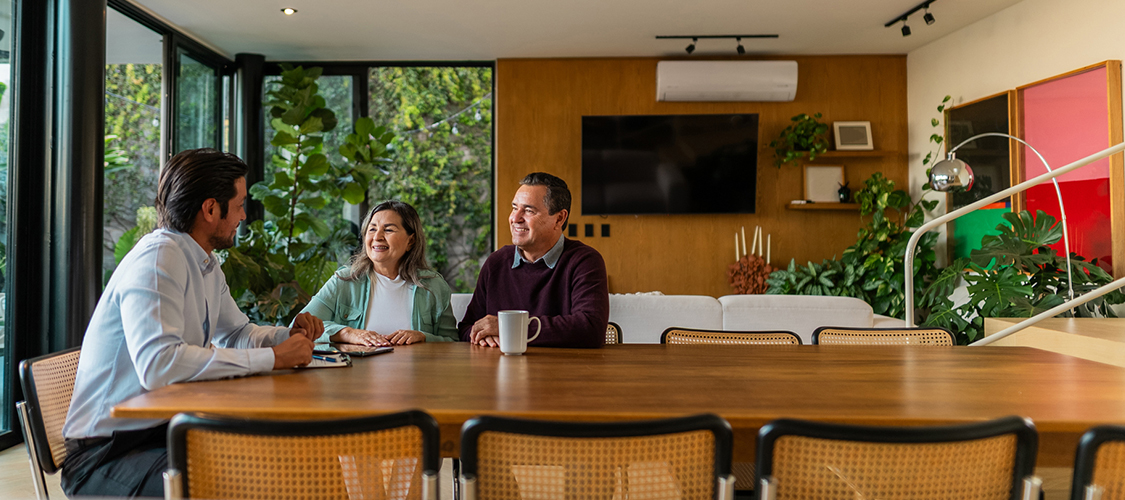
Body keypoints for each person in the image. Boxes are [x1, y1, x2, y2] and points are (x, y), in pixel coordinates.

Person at [61, 149, 324, 498]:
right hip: (107, 454)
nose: (243, 216)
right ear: (211, 209)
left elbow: (236, 333)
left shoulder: (204, 262)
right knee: (253, 484)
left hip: (163, 431)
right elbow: (158, 364)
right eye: (240, 204)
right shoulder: (159, 257)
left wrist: (285, 336)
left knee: (285, 459)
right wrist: (274, 358)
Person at [459, 172, 609, 348]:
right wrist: (482, 336)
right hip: (502, 373)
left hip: (562, 374)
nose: (515, 218)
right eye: (515, 208)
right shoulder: (496, 262)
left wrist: (508, 327)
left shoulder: (585, 261)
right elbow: (466, 328)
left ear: (559, 218)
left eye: (529, 210)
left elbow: (590, 329)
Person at [301, 200, 458, 346]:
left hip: (417, 375)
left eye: (388, 230)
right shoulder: (344, 280)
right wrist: (347, 333)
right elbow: (300, 327)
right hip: (355, 374)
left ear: (411, 241)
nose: (377, 237)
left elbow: (453, 342)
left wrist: (424, 337)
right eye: (372, 229)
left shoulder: (434, 286)